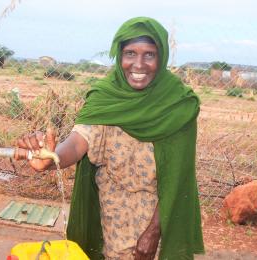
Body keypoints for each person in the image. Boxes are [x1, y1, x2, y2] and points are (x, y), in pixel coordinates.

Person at [17, 17, 204, 260]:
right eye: (130, 53)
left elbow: (178, 177)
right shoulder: (105, 97)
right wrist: (52, 157)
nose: (138, 64)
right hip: (113, 212)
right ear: (119, 56)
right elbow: (78, 141)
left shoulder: (178, 105)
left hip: (160, 213)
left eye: (149, 55)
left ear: (162, 57)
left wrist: (153, 231)